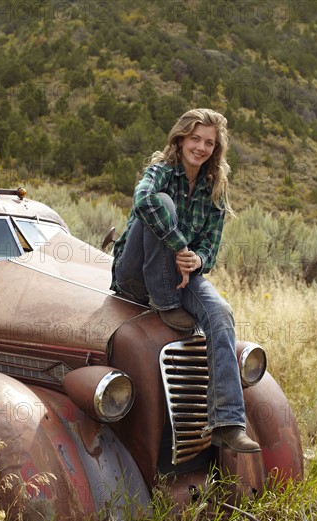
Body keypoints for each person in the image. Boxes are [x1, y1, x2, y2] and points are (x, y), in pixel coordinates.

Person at [110, 108, 260, 453]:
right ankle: (164, 302)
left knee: (220, 312)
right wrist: (180, 244)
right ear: (181, 138)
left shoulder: (215, 190)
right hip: (134, 275)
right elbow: (143, 200)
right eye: (195, 138)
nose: (201, 147)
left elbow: (210, 246)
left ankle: (227, 423)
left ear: (216, 149)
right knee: (161, 202)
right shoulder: (161, 171)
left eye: (209, 142)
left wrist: (198, 258)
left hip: (179, 274)